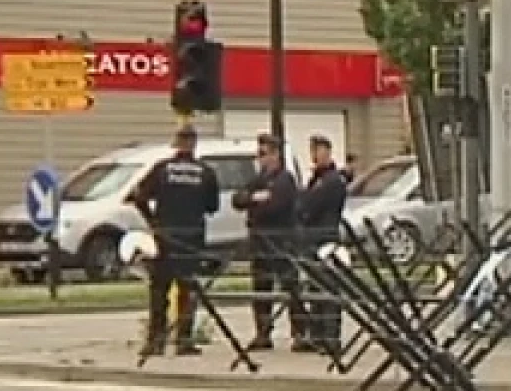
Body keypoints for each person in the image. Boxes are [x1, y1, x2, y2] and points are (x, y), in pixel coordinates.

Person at [128, 124, 219, 357]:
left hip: (165, 237)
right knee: (187, 289)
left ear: (177, 143)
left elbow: (138, 196)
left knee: (159, 289)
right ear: (194, 144)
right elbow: (213, 207)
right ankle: (184, 340)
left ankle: (155, 341)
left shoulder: (162, 169)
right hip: (191, 239)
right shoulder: (205, 172)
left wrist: (153, 222)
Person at [232, 132, 304, 351]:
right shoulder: (260, 179)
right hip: (260, 241)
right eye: (259, 154)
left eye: (264, 154)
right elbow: (238, 199)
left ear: (276, 154)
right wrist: (255, 198)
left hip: (281, 241)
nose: (261, 159)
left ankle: (301, 332)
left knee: (290, 286)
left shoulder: (285, 179)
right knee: (261, 288)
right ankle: (263, 333)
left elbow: (276, 205)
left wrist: (258, 201)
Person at [296, 133, 349, 354]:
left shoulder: (332, 181)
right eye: (313, 151)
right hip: (312, 239)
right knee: (315, 290)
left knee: (328, 291)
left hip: (326, 240)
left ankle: (331, 338)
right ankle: (317, 336)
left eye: (318, 151)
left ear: (328, 152)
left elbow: (310, 205)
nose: (315, 156)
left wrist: (304, 205)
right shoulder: (316, 179)